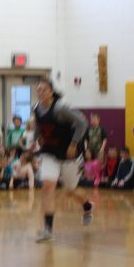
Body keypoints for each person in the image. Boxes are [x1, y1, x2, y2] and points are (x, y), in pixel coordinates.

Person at [32, 78, 93, 243]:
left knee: (71, 190)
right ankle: (48, 230)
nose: (41, 92)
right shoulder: (36, 108)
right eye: (39, 89)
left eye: (44, 89)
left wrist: (73, 144)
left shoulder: (60, 108)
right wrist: (35, 139)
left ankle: (87, 205)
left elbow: (82, 123)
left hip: (68, 155)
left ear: (51, 92)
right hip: (49, 153)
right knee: (47, 187)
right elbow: (38, 125)